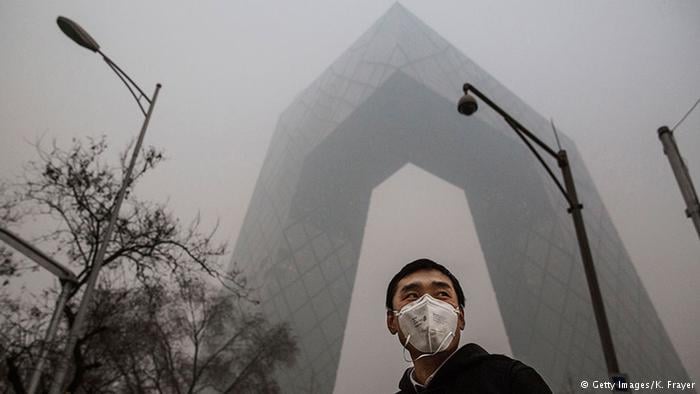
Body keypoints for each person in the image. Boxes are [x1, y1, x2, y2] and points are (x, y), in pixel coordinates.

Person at [386, 258, 552, 393]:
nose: (428, 304)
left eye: (442, 294)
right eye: (412, 296)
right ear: (392, 321)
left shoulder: (509, 378)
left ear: (461, 317)